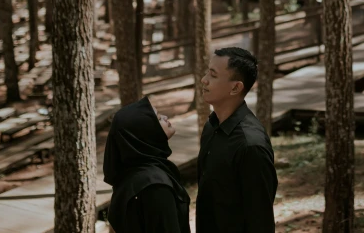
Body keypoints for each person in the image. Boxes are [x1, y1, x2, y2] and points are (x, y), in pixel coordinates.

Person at [196, 47, 278, 233]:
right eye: (208, 71)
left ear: (236, 87)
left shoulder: (250, 146)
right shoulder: (211, 127)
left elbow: (261, 221)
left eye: (213, 75)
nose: (204, 79)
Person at [103, 96, 190, 233]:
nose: (165, 117)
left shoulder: (129, 178)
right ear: (143, 131)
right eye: (158, 117)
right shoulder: (155, 186)